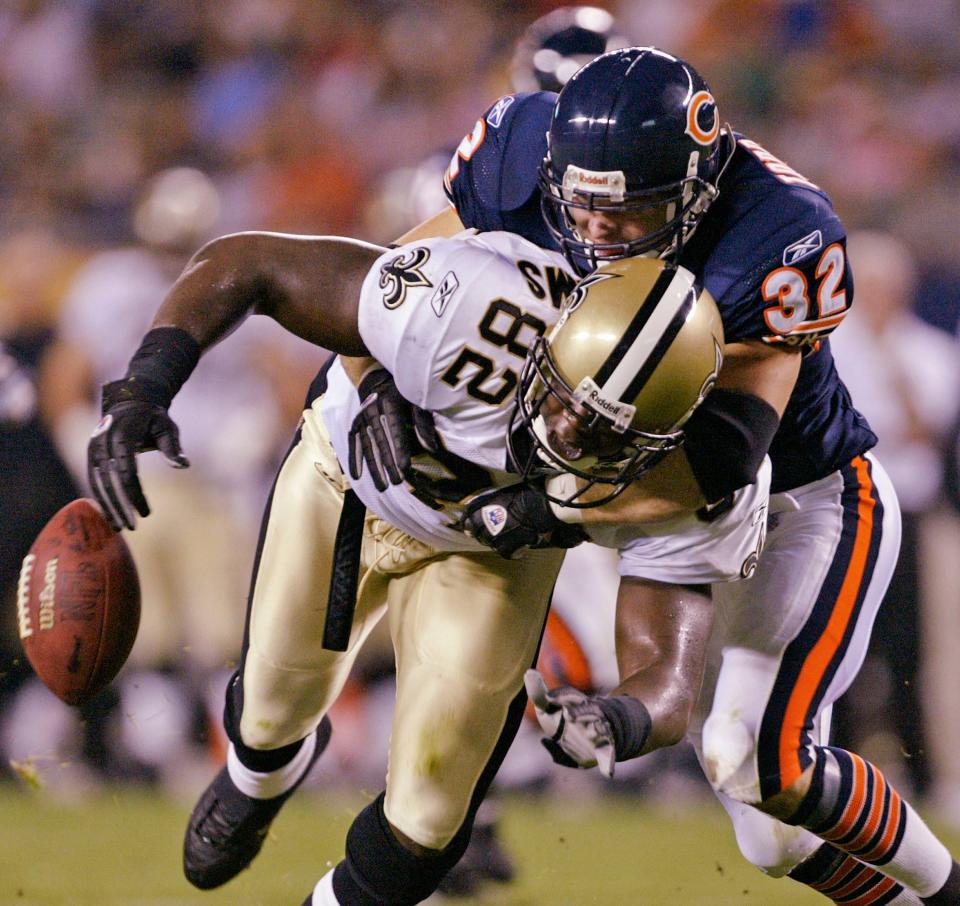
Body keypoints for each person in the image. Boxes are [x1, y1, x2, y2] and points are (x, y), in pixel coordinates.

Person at [87, 226, 768, 904]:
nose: (563, 437)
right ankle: (260, 773)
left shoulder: (694, 477)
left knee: (429, 821)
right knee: (270, 708)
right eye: (563, 401)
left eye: (605, 437)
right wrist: (148, 384)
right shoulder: (471, 300)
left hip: (493, 561)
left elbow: (668, 681)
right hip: (353, 488)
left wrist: (614, 721)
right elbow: (248, 261)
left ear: (668, 439)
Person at [426, 46, 960, 903]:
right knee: (768, 839)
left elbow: (721, 459)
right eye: (583, 206)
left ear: (698, 186)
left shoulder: (777, 231)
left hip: (801, 500)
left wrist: (550, 505)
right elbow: (425, 277)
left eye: (631, 212)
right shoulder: (518, 155)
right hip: (639, 496)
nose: (598, 233)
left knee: (766, 764)